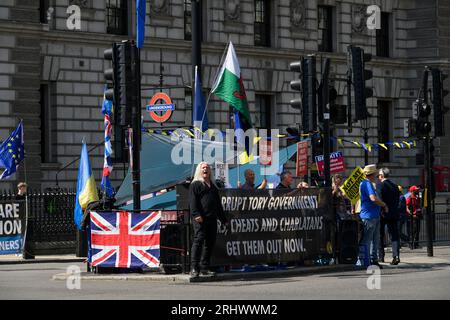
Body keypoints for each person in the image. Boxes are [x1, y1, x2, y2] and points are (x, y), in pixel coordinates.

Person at [189, 162, 228, 278]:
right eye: (203, 167)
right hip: (200, 218)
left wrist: (223, 219)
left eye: (207, 167)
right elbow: (192, 202)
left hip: (212, 218)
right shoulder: (195, 184)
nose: (206, 169)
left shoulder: (213, 186)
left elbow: (218, 205)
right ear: (199, 170)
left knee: (209, 243)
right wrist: (196, 214)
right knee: (199, 241)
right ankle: (194, 268)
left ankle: (204, 267)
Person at [358, 164, 388, 268]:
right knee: (369, 239)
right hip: (369, 216)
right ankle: (367, 261)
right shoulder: (367, 184)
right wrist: (384, 205)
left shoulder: (366, 183)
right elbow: (373, 198)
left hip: (372, 216)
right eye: (375, 174)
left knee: (374, 239)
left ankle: (372, 260)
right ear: (373, 174)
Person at [377, 168, 401, 265]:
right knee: (394, 235)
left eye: (379, 175)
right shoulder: (395, 186)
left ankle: (381, 256)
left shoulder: (380, 185)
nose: (378, 177)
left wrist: (382, 210)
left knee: (380, 235)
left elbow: (380, 199)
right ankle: (396, 256)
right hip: (393, 213)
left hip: (383, 213)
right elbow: (397, 200)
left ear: (382, 176)